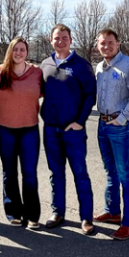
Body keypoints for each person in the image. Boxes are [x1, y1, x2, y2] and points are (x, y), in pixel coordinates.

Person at [40, 24, 97, 235]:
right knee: (56, 173)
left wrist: (80, 121)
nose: (60, 41)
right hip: (51, 129)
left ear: (70, 40)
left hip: (73, 131)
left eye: (64, 38)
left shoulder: (81, 65)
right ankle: (58, 212)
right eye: (57, 38)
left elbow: (90, 95)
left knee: (80, 174)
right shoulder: (45, 65)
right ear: (51, 40)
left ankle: (86, 218)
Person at [93, 28, 129, 241]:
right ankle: (113, 212)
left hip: (120, 126)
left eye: (110, 42)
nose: (106, 46)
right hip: (103, 125)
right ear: (98, 45)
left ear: (118, 43)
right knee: (110, 171)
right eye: (102, 43)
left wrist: (122, 119)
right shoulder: (99, 67)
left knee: (125, 174)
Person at [0, 37, 42, 229]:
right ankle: (13, 212)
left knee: (29, 173)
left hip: (29, 129)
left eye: (22, 49)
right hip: (4, 129)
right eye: (15, 49)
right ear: (10, 51)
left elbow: (49, 94)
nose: (19, 53)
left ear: (27, 52)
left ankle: (32, 214)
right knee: (9, 173)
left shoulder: (37, 73)